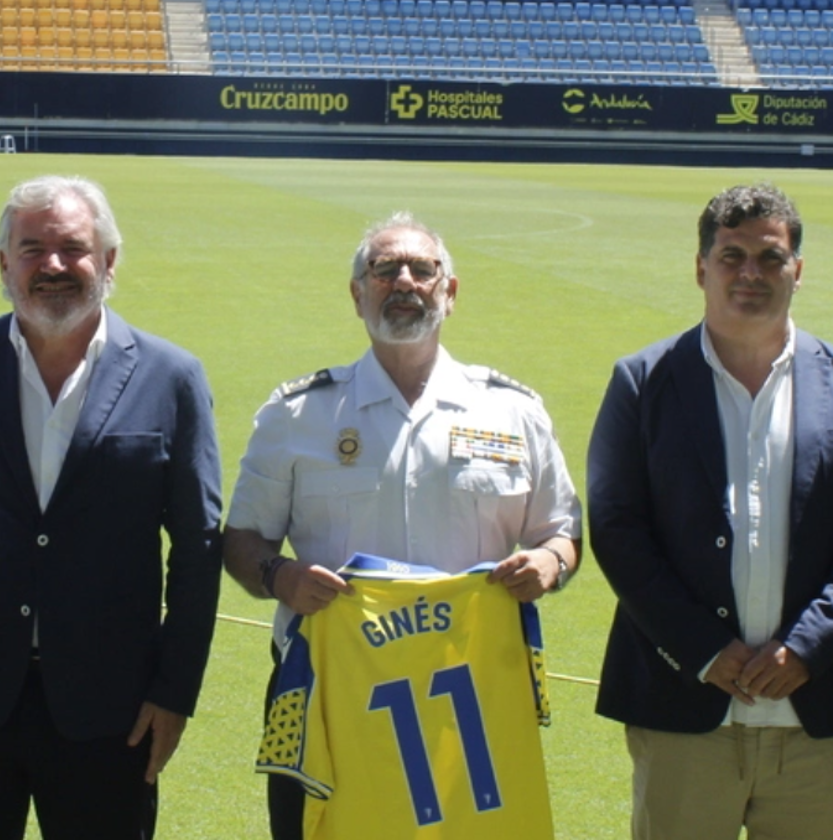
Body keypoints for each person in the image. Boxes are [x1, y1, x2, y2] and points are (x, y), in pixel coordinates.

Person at [223, 211, 582, 839]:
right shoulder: (297, 416)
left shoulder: (513, 412)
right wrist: (280, 577)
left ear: (450, 291)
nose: (405, 282)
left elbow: (562, 530)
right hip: (328, 695)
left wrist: (550, 563)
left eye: (423, 268)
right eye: (384, 269)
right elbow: (241, 539)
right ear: (357, 293)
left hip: (472, 699)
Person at [0, 175, 223, 840]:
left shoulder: (172, 377)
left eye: (73, 247)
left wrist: (173, 693)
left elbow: (198, 546)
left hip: (114, 714)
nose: (54, 266)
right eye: (33, 248)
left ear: (109, 261)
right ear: (3, 263)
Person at [587, 183, 833, 839]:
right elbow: (616, 528)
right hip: (685, 716)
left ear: (798, 270)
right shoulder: (641, 381)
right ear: (701, 267)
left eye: (770, 257)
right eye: (731, 256)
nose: (750, 273)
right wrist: (701, 648)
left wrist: (809, 646)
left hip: (817, 725)